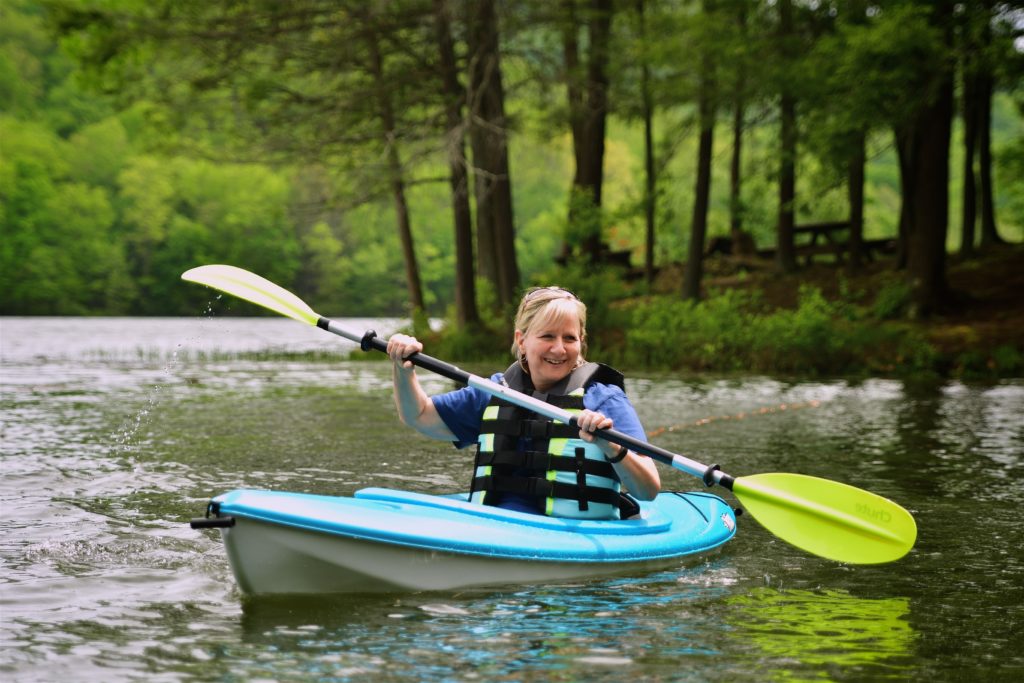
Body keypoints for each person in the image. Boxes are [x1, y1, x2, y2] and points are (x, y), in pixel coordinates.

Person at [386, 286, 660, 519]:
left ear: (581, 342)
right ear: (522, 340)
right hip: (494, 523)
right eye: (547, 336)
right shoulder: (494, 390)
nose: (559, 349)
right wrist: (403, 368)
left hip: (568, 536)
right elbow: (419, 415)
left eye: (569, 338)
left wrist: (609, 445)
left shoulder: (603, 398)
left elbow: (648, 490)